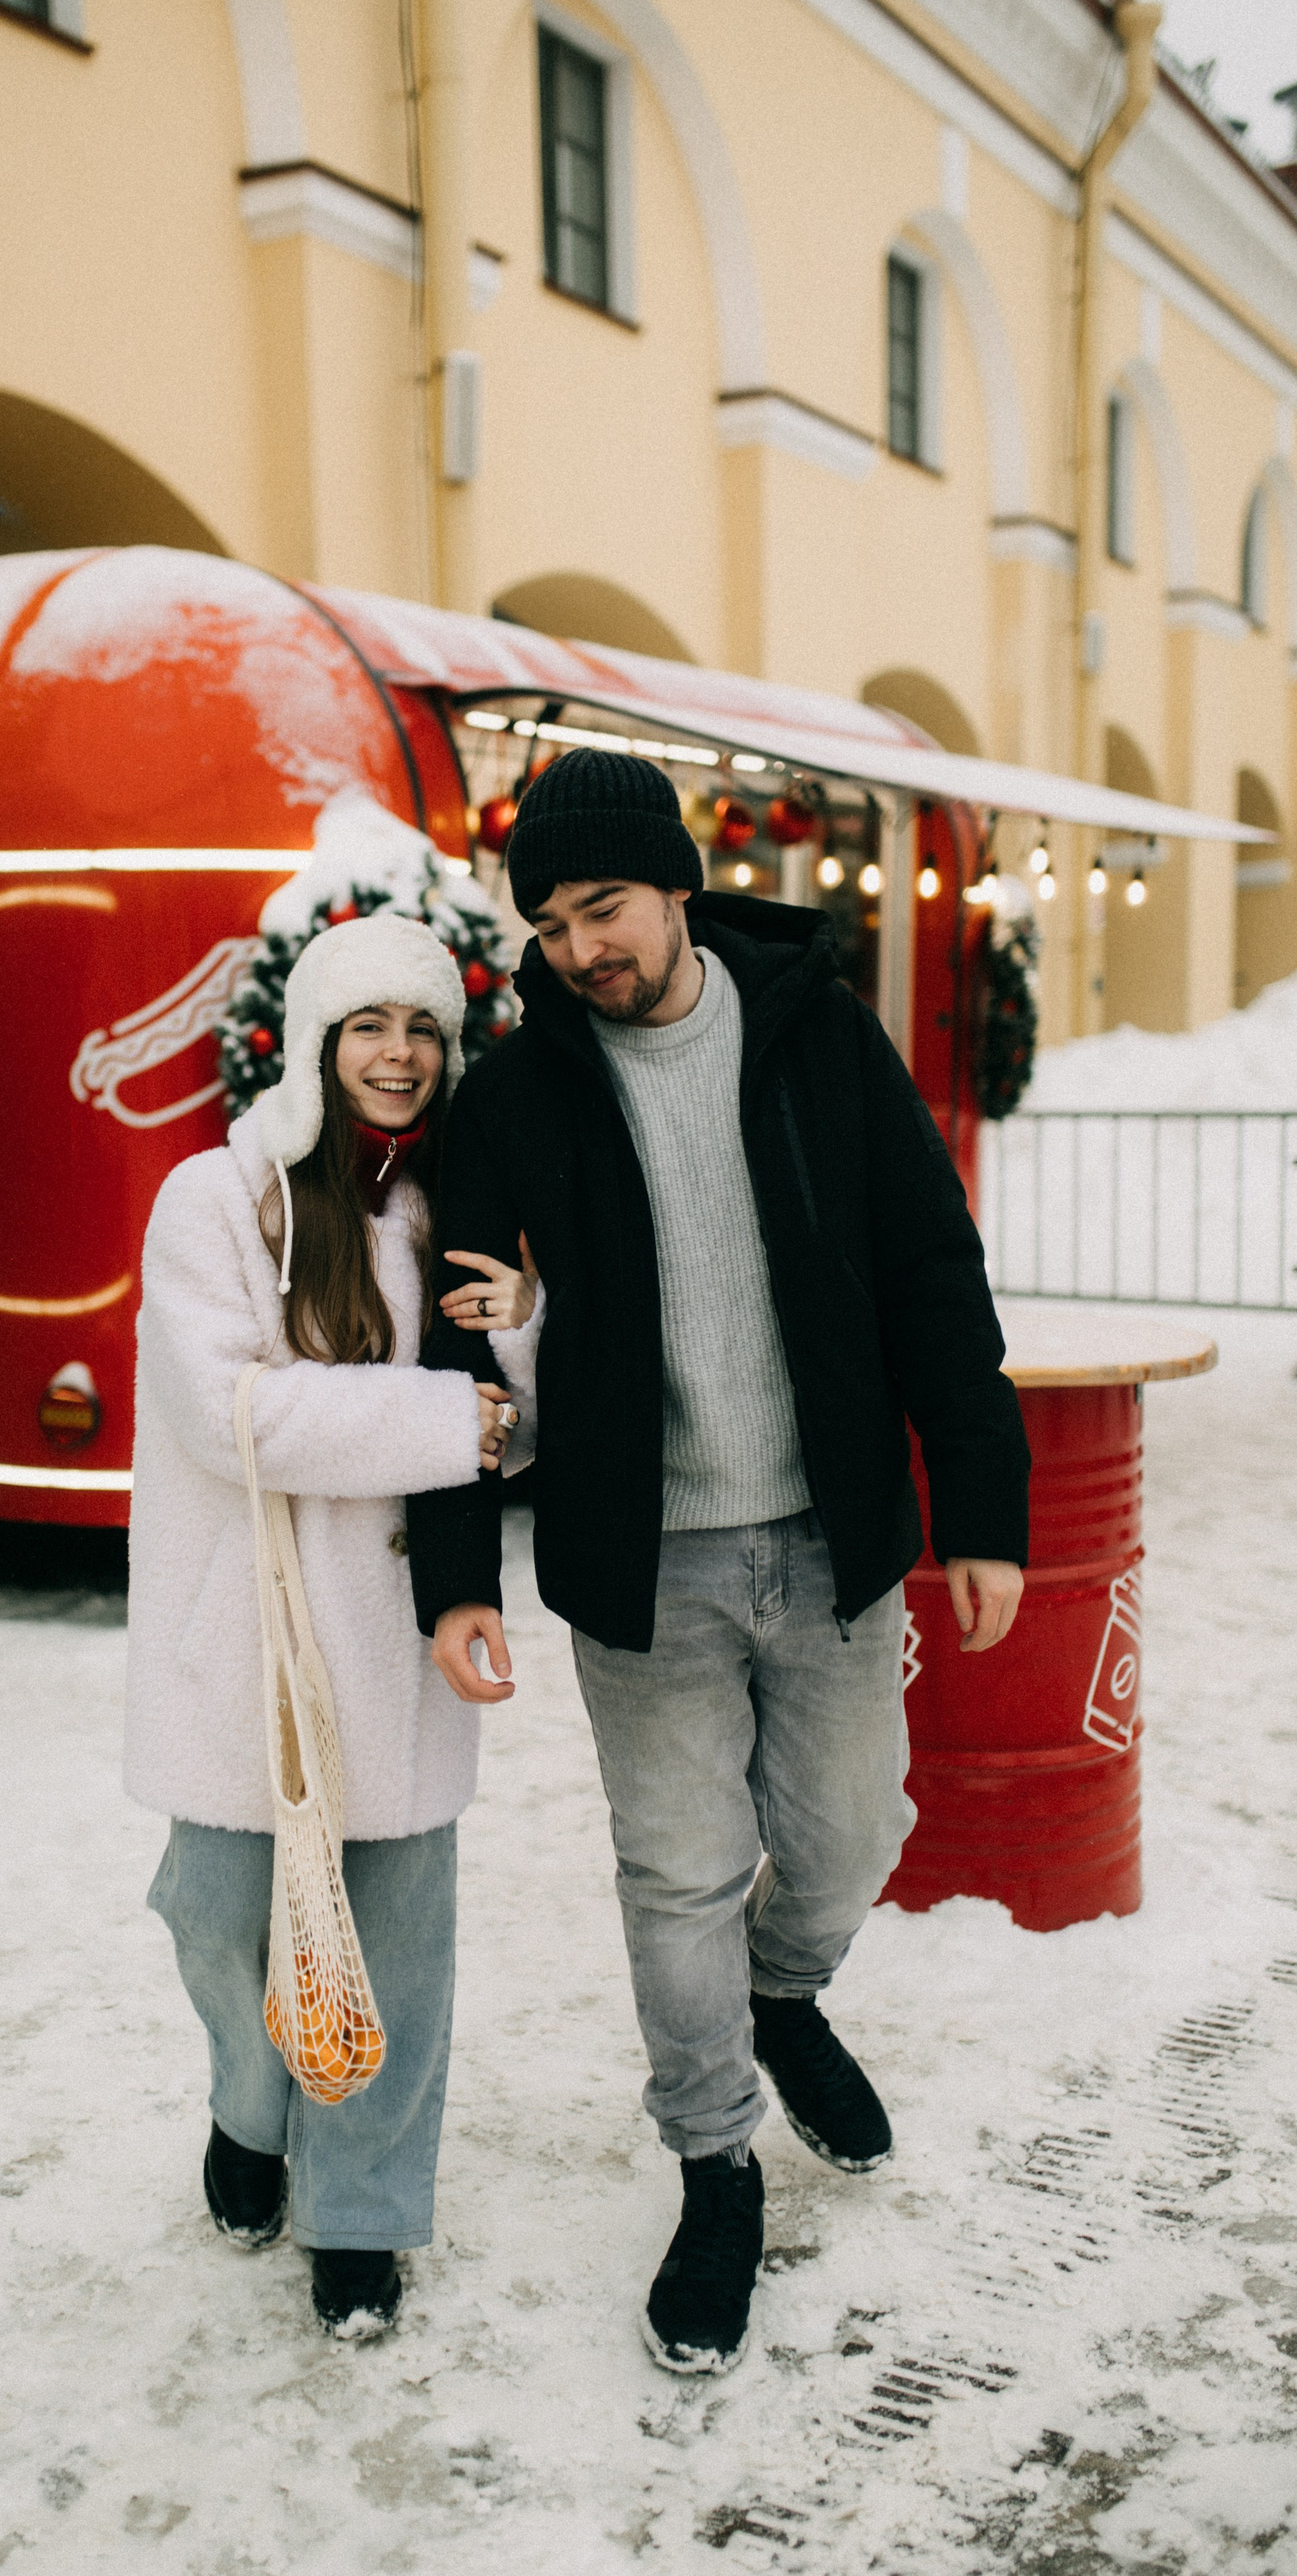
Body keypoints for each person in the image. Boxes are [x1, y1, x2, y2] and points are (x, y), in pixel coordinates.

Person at [408, 748, 1030, 2376]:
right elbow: (456, 1355)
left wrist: (979, 1504)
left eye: (602, 907)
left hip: (829, 1532)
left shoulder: (816, 1031)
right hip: (643, 1563)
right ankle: (711, 2163)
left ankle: (782, 1991)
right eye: (547, 923)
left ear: (677, 886)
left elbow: (928, 1266)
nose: (576, 948)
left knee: (852, 1832)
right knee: (677, 1871)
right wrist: (454, 1575)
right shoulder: (514, 1096)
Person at [127, 911, 538, 2341]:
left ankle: (360, 2212)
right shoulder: (212, 1200)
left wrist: (526, 1333)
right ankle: (254, 2104)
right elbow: (225, 1410)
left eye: (424, 1028)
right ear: (314, 1040)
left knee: (399, 1948)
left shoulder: (449, 1210)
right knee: (218, 1912)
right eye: (370, 1024)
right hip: (241, 1636)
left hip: (398, 1639)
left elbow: (514, 1429)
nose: (400, 1053)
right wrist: (442, 1418)